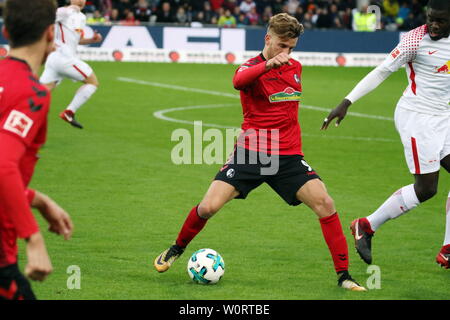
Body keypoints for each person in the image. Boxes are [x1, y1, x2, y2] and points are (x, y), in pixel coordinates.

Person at [154, 13, 366, 291]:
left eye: (291, 47)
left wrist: (281, 61)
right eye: (281, 45)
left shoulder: (296, 68)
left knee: (325, 203)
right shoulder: (251, 68)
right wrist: (268, 64)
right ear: (268, 39)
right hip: (251, 153)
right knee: (208, 207)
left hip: (288, 156)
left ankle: (344, 276)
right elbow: (237, 81)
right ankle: (176, 248)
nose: (286, 52)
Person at [322, 0, 450, 269]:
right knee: (426, 190)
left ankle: (448, 248)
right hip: (417, 119)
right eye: (430, 18)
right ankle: (366, 225)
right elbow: (382, 71)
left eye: (440, 20)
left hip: (444, 118)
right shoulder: (414, 40)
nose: (433, 25)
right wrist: (346, 102)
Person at [0, 0, 74, 300]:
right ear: (49, 35)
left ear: (6, 30)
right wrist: (33, 238)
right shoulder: (33, 94)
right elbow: (3, 164)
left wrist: (38, 200)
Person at [40, 0, 102, 129]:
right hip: (64, 58)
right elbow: (45, 19)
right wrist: (69, 9)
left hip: (56, 60)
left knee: (41, 92)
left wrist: (92, 40)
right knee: (92, 82)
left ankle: (18, 110)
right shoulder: (63, 12)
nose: (80, 1)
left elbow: (77, 40)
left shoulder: (82, 17)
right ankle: (69, 112)